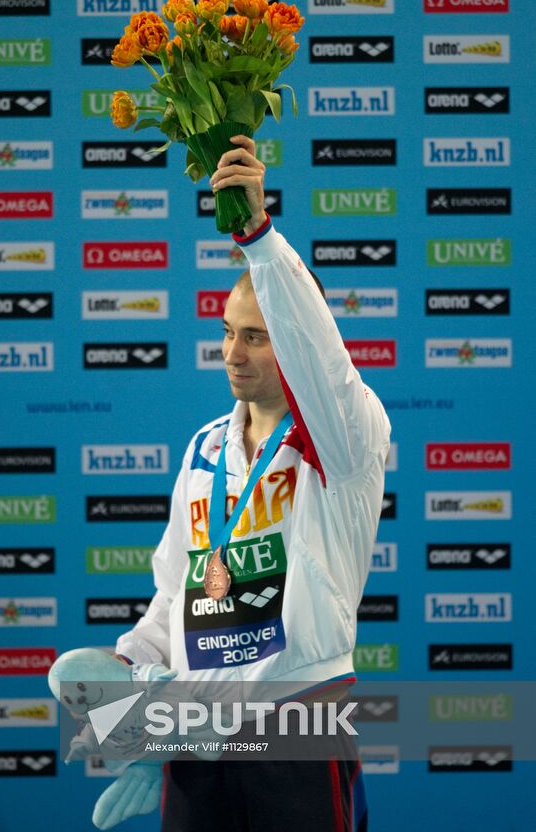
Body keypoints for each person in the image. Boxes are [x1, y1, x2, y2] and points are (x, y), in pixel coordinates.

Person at [109, 134, 391, 830]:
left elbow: (321, 360)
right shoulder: (205, 447)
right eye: (229, 331)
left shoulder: (339, 441)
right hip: (195, 737)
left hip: (296, 726)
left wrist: (258, 237)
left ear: (290, 339)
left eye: (257, 336)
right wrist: (128, 667)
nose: (233, 352)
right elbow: (177, 587)